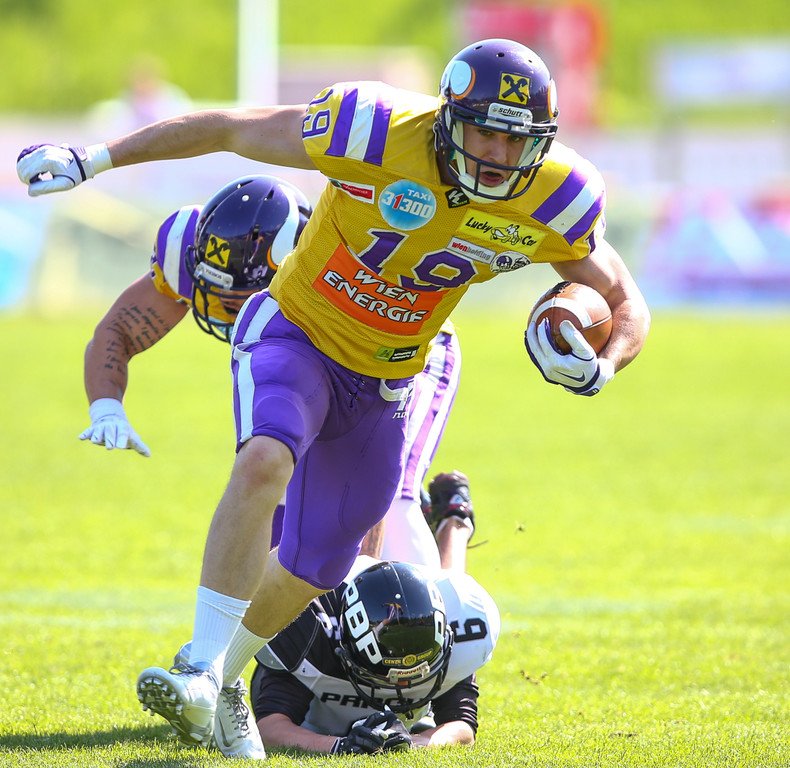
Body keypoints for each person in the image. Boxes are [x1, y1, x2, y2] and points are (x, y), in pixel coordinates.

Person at [17, 38, 651, 760]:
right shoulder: (375, 130)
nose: (500, 155)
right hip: (295, 330)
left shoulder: (558, 195)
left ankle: (226, 679)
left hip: (388, 378)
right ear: (449, 117)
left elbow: (623, 299)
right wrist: (93, 159)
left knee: (320, 560)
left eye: (518, 140)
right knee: (266, 459)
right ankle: (198, 666)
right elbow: (233, 127)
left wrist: (604, 364)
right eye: (485, 132)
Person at [249, 471, 494, 754]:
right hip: (332, 587)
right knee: (288, 570)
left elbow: (462, 725)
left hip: (429, 596)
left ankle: (454, 522)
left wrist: (417, 744)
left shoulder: (457, 622)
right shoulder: (311, 630)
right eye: (385, 676)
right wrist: (339, 746)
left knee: (447, 582)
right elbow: (269, 727)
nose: (400, 685)